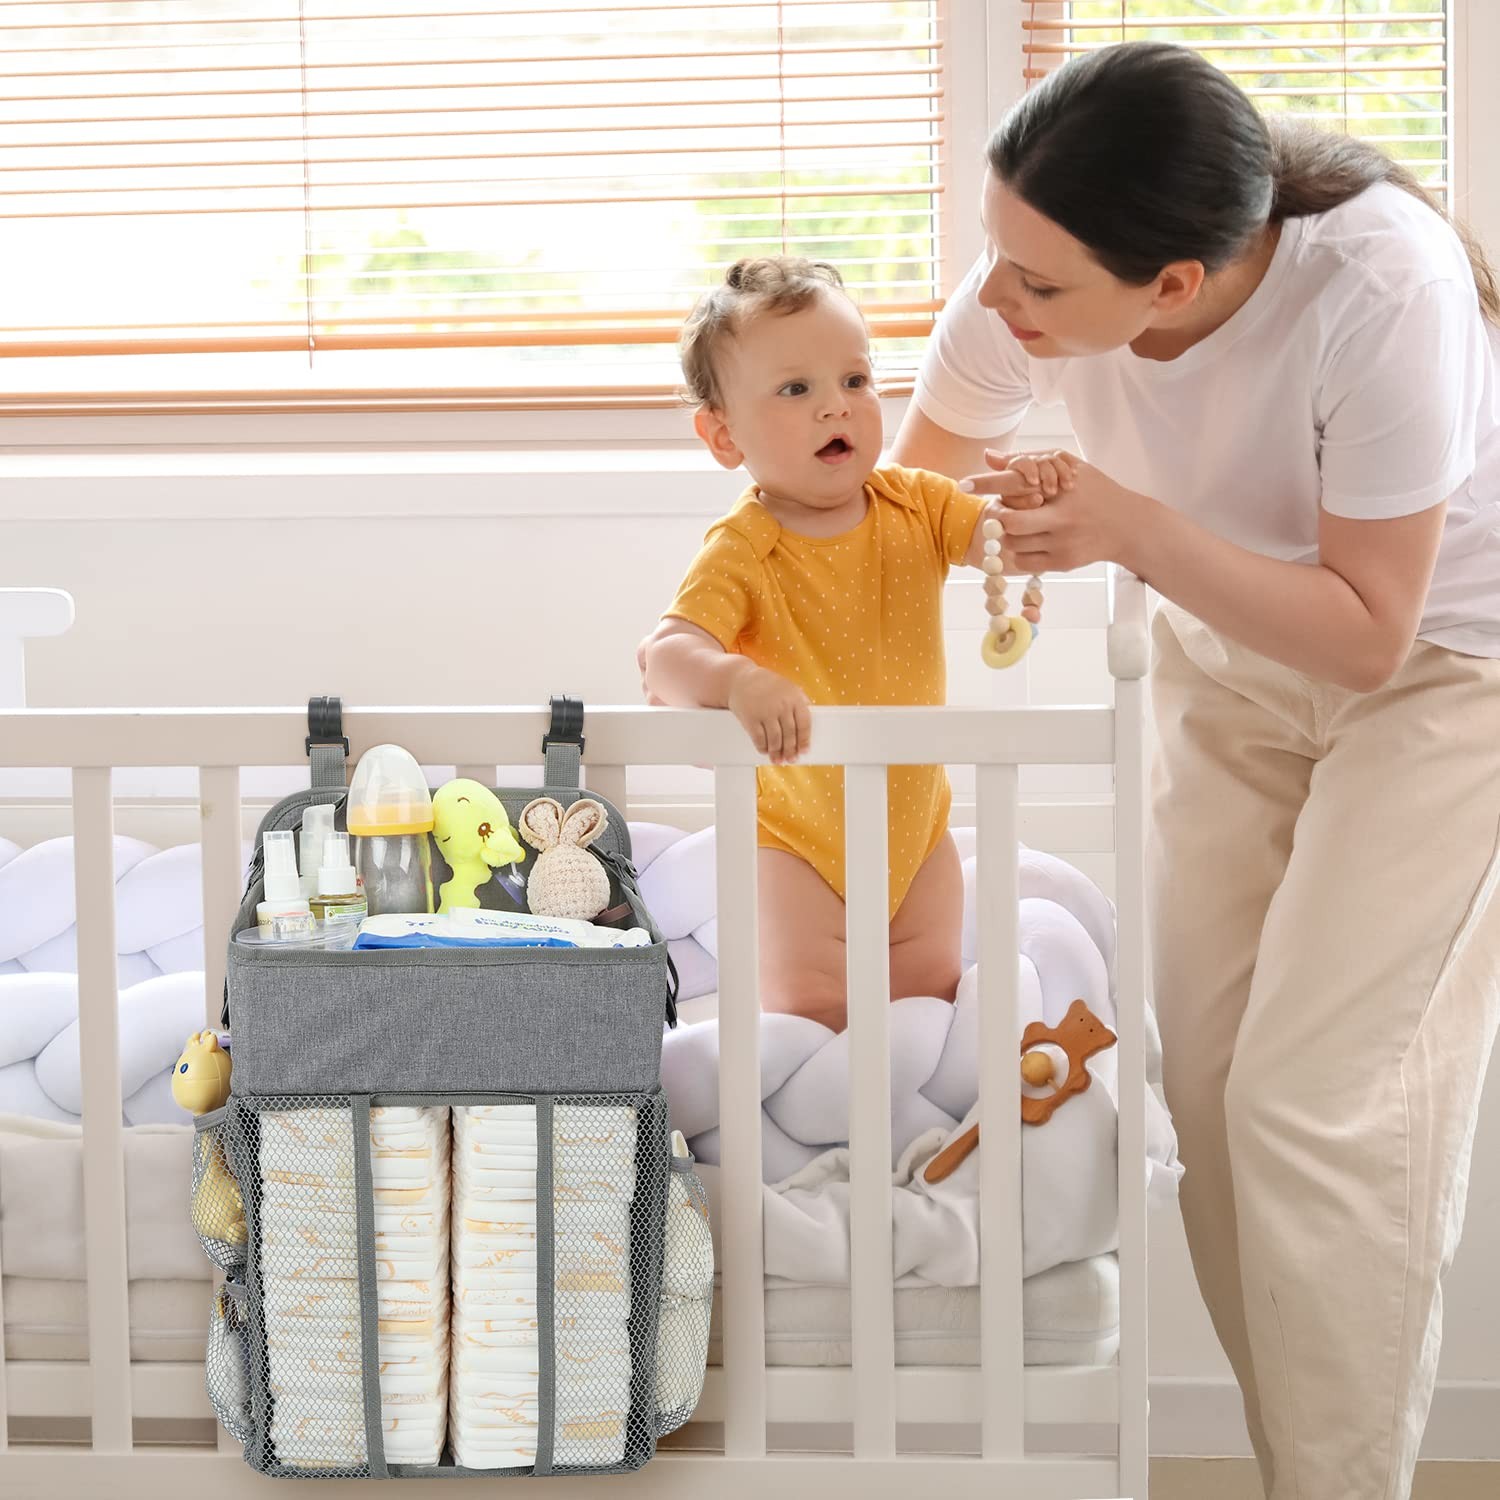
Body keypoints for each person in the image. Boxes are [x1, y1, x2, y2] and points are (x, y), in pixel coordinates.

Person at [890, 40, 1500, 1500]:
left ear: (1172, 285)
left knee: (1308, 1100)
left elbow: (1369, 636)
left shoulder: (1382, 289)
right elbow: (913, 502)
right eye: (998, 257)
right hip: (1229, 659)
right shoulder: (1029, 278)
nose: (1000, 304)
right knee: (1215, 1096)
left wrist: (1131, 529)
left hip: (1444, 675)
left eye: (1041, 287)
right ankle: (1312, 1467)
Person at [637, 256, 1063, 1031]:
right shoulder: (745, 548)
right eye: (796, 389)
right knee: (813, 1012)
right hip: (797, 842)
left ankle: (917, 1101)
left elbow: (1002, 537)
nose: (837, 405)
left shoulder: (918, 505)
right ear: (724, 434)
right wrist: (734, 680)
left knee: (928, 1002)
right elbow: (666, 654)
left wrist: (1028, 497)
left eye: (856, 380)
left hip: (916, 833)